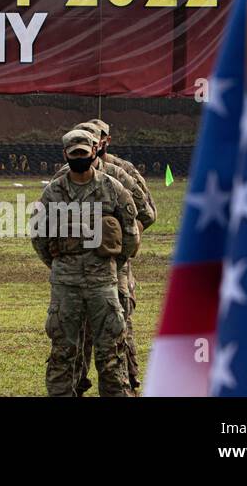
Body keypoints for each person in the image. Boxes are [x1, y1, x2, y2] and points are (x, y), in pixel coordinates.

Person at [30, 128, 138, 397]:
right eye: (74, 153)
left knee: (110, 355)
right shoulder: (52, 193)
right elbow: (39, 237)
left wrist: (111, 262)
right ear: (65, 154)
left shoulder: (113, 189)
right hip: (65, 287)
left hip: (103, 284)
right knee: (63, 354)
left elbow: (130, 235)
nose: (79, 157)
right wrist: (60, 265)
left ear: (94, 151)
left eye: (83, 152)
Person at [69, 119, 155, 394]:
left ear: (103, 142)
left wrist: (122, 247)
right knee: (77, 331)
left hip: (114, 267)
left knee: (118, 327)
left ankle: (127, 380)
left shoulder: (121, 174)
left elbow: (147, 213)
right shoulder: (65, 177)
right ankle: (77, 381)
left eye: (99, 138)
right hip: (77, 270)